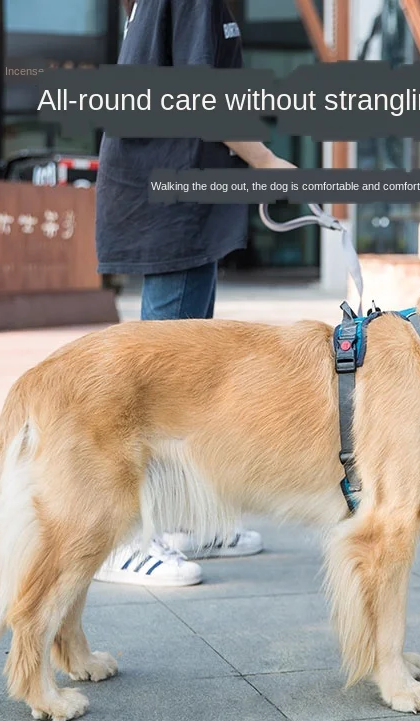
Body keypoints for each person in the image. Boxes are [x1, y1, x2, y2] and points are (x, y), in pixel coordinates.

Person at [94, 0, 295, 586]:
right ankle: (126, 538)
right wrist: (264, 159)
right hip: (173, 203)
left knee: (190, 372)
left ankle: (187, 519)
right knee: (160, 380)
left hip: (184, 200)